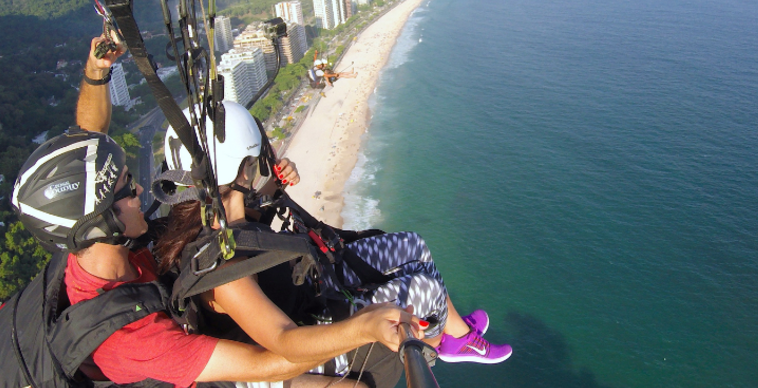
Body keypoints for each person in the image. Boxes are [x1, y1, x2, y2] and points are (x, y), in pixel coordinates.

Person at [0, 36, 420, 388]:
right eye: (124, 190)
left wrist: (96, 72)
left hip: (188, 321)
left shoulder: (102, 250)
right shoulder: (130, 341)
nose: (138, 189)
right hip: (199, 376)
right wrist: (361, 328)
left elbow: (90, 141)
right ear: (99, 223)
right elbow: (270, 359)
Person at [156, 102, 513, 373]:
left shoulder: (233, 215)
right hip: (313, 329)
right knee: (425, 290)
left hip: (308, 281)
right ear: (243, 170)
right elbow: (285, 341)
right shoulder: (219, 267)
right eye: (257, 161)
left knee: (412, 244)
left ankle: (457, 332)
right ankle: (438, 343)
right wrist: (363, 327)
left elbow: (259, 227)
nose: (263, 165)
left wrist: (277, 182)